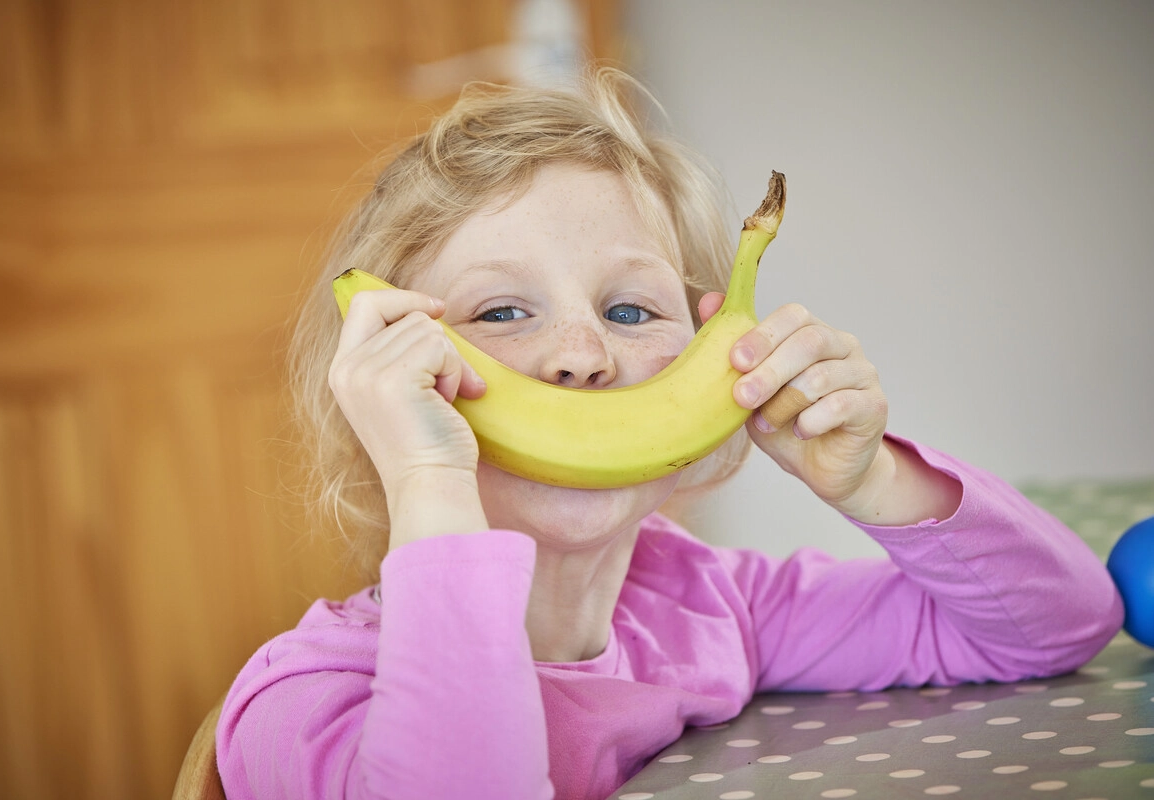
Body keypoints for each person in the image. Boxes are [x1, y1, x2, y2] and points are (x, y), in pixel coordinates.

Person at [215, 67, 1122, 800]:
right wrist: (427, 478)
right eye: (498, 310)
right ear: (385, 373)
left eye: (628, 307)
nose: (580, 355)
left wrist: (872, 480)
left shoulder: (705, 607)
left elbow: (1053, 630)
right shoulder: (306, 704)